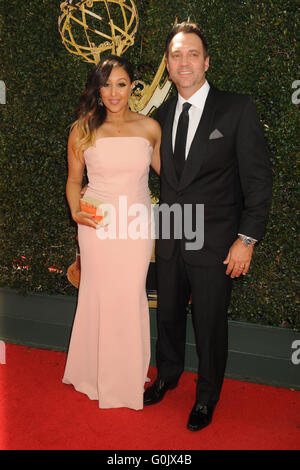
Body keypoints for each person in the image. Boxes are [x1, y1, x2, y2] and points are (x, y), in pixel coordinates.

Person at [143, 22, 272, 431]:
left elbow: (258, 180)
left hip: (216, 242)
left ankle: (207, 396)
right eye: (176, 55)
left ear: (206, 61)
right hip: (170, 235)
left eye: (192, 54)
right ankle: (166, 374)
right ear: (167, 63)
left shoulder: (236, 109)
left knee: (210, 322)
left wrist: (246, 240)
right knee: (168, 317)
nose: (184, 62)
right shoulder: (159, 115)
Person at [62, 54, 161, 410]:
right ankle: (92, 372)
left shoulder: (150, 128)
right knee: (99, 294)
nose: (114, 92)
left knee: (129, 294)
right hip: (96, 221)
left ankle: (126, 375)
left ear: (133, 85)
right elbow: (74, 181)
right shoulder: (83, 128)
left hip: (136, 224)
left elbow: (175, 178)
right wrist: (76, 211)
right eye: (106, 84)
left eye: (121, 83)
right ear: (97, 88)